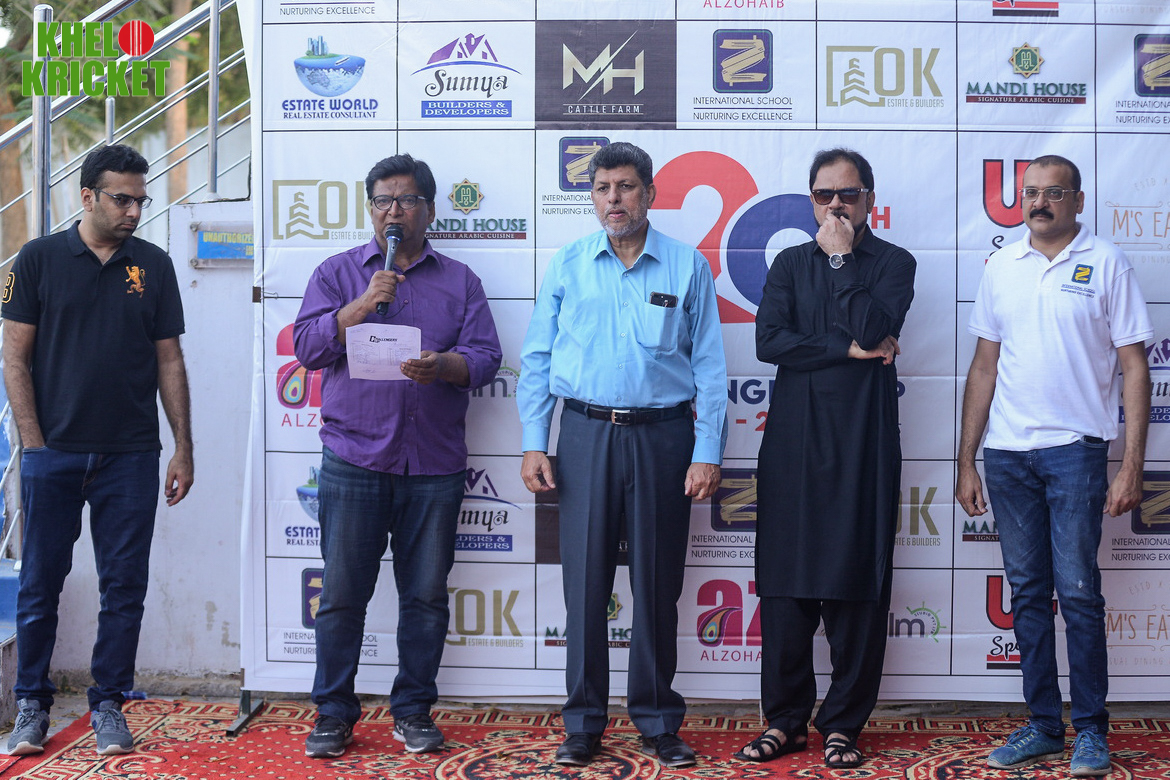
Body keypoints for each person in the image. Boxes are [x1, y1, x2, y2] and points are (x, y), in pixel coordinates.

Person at [517, 141, 727, 769]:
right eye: (603, 187)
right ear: (592, 196)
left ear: (650, 193)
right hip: (584, 436)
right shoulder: (568, 264)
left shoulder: (687, 266)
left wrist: (707, 449)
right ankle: (583, 723)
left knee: (658, 585)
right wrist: (535, 440)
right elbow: (538, 357)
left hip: (664, 439)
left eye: (626, 186)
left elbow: (711, 368)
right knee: (585, 586)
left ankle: (658, 720)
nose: (614, 199)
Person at [293, 153, 501, 759]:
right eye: (383, 200)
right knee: (340, 596)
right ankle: (333, 714)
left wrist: (444, 366)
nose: (394, 211)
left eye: (406, 200)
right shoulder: (337, 273)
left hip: (433, 466)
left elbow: (486, 359)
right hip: (354, 461)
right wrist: (360, 306)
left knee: (426, 597)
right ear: (370, 209)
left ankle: (413, 711)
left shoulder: (460, 281)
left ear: (428, 210)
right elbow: (306, 349)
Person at [956, 155, 1151, 777]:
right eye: (1030, 193)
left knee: (1078, 592)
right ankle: (1043, 724)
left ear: (1078, 201)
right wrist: (966, 459)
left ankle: (1091, 731)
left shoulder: (1107, 262)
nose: (1038, 203)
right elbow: (984, 366)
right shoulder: (1002, 266)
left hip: (1076, 452)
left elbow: (1135, 368)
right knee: (1028, 594)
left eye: (1053, 193)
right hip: (1007, 455)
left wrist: (1132, 466)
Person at [2, 144, 194, 757]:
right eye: (122, 199)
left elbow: (170, 360)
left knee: (124, 588)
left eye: (141, 200)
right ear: (86, 196)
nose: (134, 210)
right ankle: (31, 706)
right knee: (40, 585)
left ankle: (108, 704)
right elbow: (14, 357)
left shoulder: (154, 265)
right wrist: (34, 445)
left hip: (130, 456)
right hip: (53, 453)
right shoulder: (37, 259)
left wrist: (183, 447)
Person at [742, 148, 915, 768]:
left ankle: (842, 725)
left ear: (869, 199)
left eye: (848, 194)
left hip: (864, 442)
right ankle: (785, 722)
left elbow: (874, 327)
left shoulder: (894, 262)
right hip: (794, 441)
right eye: (824, 195)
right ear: (811, 200)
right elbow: (769, 342)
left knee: (857, 584)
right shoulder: (789, 263)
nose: (835, 205)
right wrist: (846, 350)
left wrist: (842, 261)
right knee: (785, 585)